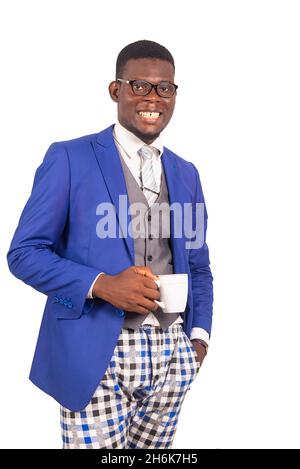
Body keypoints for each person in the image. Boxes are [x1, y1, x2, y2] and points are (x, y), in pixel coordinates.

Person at [7, 40, 214, 449]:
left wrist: (199, 340)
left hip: (173, 354)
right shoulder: (69, 158)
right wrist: (101, 283)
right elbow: (24, 253)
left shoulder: (186, 173)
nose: (153, 98)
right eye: (140, 85)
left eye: (165, 88)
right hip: (95, 351)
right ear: (116, 90)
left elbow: (199, 264)